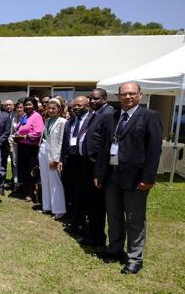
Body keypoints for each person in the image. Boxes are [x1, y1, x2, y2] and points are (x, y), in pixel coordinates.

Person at [95, 82, 162, 274]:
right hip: (112, 176)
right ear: (118, 95)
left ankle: (135, 258)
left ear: (140, 95)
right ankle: (115, 249)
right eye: (123, 94)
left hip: (136, 179)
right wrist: (99, 174)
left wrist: (148, 178)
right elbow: (104, 147)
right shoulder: (112, 117)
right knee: (114, 215)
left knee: (134, 219)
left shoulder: (150, 117)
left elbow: (154, 151)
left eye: (132, 93)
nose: (127, 97)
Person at [77, 88, 115, 247]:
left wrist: (99, 172)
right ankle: (92, 232)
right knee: (90, 203)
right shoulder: (96, 113)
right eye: (91, 99)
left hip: (97, 167)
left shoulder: (108, 114)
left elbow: (106, 145)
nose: (92, 102)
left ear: (105, 98)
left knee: (97, 205)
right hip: (88, 164)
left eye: (96, 99)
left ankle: (97, 237)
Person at [60, 96, 91, 236]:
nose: (76, 107)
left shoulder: (92, 120)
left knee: (82, 194)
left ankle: (82, 222)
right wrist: (61, 159)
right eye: (74, 105)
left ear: (87, 105)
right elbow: (64, 143)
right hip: (70, 161)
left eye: (79, 105)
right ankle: (74, 218)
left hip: (84, 162)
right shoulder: (70, 122)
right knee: (71, 191)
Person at [38, 99, 67, 219]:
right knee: (45, 179)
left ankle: (59, 209)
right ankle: (47, 206)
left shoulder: (62, 122)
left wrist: (56, 158)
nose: (50, 110)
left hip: (53, 153)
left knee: (55, 180)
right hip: (43, 149)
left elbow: (61, 141)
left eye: (53, 108)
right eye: (49, 108)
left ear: (59, 109)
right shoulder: (48, 120)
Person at [13, 97, 44, 202]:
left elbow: (38, 132)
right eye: (26, 105)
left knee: (31, 170)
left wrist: (24, 137)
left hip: (31, 147)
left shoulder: (37, 116)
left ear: (34, 105)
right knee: (24, 169)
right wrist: (17, 134)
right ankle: (25, 191)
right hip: (22, 146)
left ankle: (31, 194)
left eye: (30, 104)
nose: (27, 106)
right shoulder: (26, 115)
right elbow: (19, 127)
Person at [8, 101, 24, 189]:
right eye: (17, 107)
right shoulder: (14, 118)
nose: (19, 109)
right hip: (14, 143)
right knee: (14, 163)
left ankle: (23, 183)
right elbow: (11, 132)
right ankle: (15, 182)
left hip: (24, 144)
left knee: (22, 163)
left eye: (21, 107)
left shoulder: (26, 118)